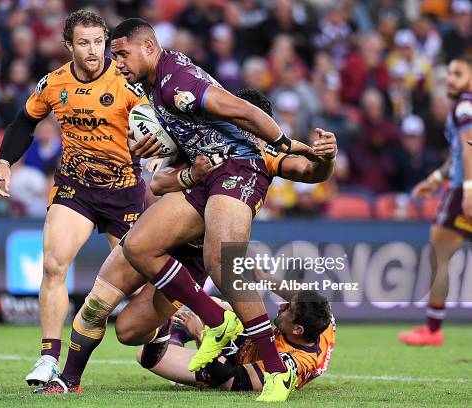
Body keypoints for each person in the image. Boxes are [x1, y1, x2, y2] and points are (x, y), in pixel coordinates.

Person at [35, 88, 335, 402]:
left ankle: (167, 329)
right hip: (159, 233)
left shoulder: (263, 154)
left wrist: (327, 158)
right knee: (96, 304)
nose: (246, 130)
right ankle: (68, 380)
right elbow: (157, 184)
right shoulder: (197, 138)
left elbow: (311, 171)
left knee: (128, 332)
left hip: (190, 261)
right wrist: (191, 173)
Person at [110, 18, 325, 402]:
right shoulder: (155, 86)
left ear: (147, 47)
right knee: (139, 246)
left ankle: (276, 373)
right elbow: (158, 181)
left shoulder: (178, 84)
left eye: (122, 54)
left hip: (238, 166)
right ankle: (217, 319)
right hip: (207, 171)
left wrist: (285, 143)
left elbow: (241, 110)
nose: (119, 63)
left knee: (222, 260)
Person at [0, 10, 151, 386]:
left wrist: (153, 147)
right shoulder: (54, 83)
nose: (93, 51)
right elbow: (24, 122)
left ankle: (165, 343)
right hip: (74, 189)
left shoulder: (128, 82)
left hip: (124, 192)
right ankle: (47, 358)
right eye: (84, 43)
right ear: (69, 45)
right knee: (53, 266)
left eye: (98, 42)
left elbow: (152, 127)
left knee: (145, 285)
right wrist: (3, 162)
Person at [398, 55, 472, 346]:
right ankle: (432, 327)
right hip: (458, 185)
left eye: (458, 74)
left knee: (439, 256)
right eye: (449, 74)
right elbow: (457, 154)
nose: (450, 79)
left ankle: (432, 328)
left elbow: (468, 150)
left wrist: (467, 189)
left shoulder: (464, 107)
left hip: (461, 192)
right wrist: (434, 179)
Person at [141, 290, 335, 396]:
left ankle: (177, 338)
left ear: (298, 330)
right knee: (218, 305)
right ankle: (177, 333)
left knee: (147, 355)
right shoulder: (323, 321)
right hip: (250, 343)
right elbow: (298, 296)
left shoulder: (290, 364)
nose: (281, 306)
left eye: (287, 310)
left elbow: (231, 382)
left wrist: (200, 335)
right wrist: (265, 278)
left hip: (234, 367)